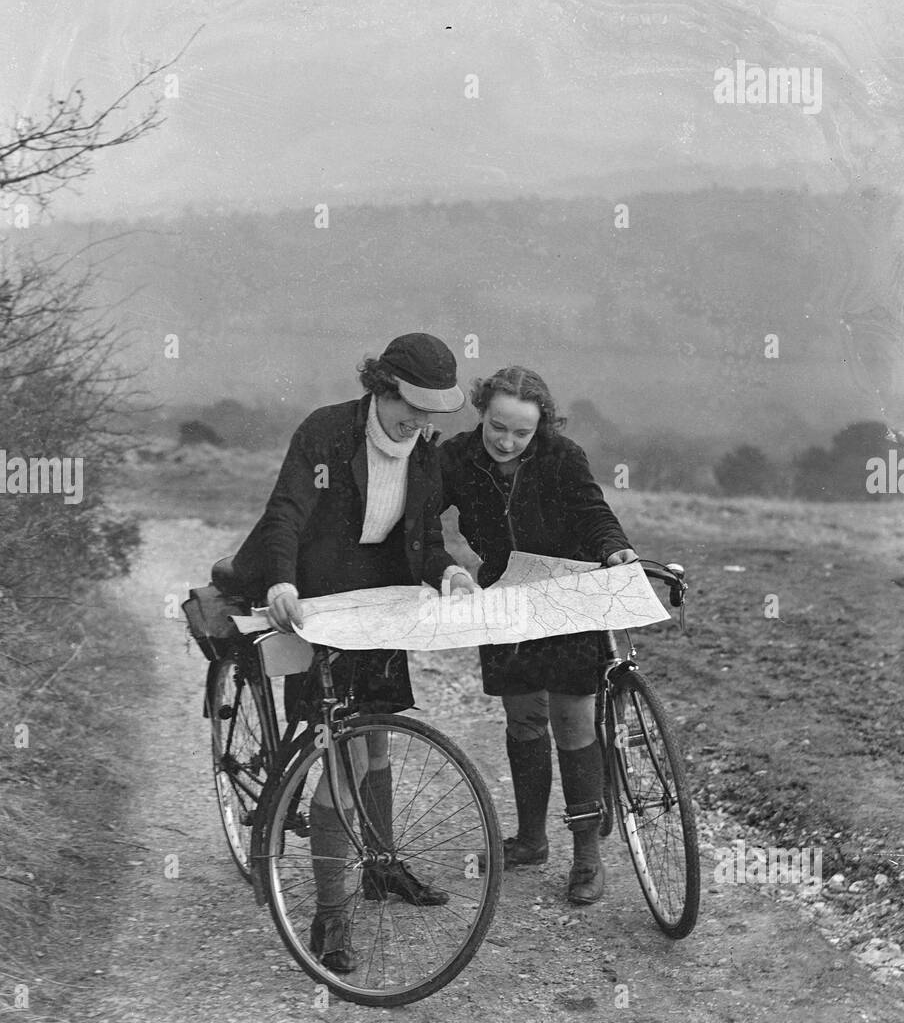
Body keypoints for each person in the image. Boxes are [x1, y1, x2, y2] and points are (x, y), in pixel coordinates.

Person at [217, 333, 477, 971]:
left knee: (379, 740)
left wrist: (447, 572)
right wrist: (280, 578)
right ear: (381, 386)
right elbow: (285, 511)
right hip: (314, 596)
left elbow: (421, 537)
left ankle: (384, 865)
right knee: (341, 750)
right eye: (408, 407)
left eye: (429, 413)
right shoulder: (327, 433)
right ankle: (331, 915)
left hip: (379, 603)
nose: (417, 422)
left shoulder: (425, 456)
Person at [438, 366, 639, 905]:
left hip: (568, 595)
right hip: (504, 596)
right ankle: (530, 840)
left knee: (573, 724)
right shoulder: (455, 458)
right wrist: (443, 567)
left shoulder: (563, 457)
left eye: (520, 433)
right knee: (523, 718)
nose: (506, 441)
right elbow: (419, 519)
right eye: (497, 427)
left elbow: (594, 514)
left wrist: (614, 548)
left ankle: (586, 857)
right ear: (481, 412)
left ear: (540, 427)